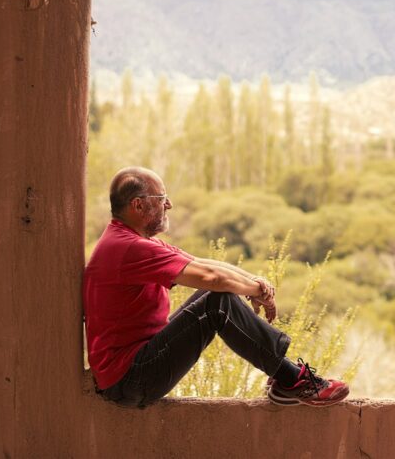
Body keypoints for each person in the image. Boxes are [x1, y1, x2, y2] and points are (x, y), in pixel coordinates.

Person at [83, 166, 349, 408]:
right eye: (162, 199)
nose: (169, 205)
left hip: (134, 370)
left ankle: (285, 379)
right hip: (131, 379)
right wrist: (254, 291)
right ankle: (291, 379)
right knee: (216, 302)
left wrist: (256, 282)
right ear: (138, 205)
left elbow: (202, 264)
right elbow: (212, 278)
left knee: (213, 297)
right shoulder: (129, 247)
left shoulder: (128, 239)